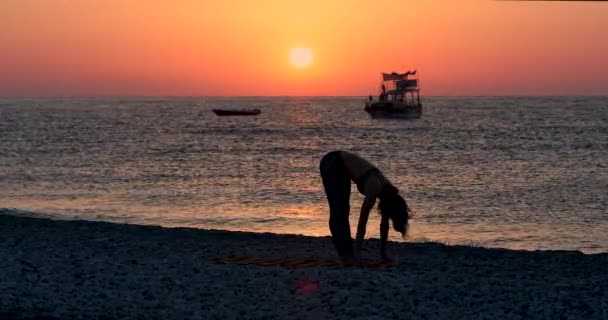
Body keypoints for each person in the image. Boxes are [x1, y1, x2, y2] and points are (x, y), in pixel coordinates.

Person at [319, 151, 410, 265]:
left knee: (342, 210)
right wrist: (358, 255)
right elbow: (362, 223)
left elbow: (384, 225)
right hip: (332, 162)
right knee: (339, 210)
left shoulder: (389, 193)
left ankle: (348, 255)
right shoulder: (375, 189)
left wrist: (383, 254)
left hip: (339, 164)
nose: (388, 217)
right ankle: (347, 256)